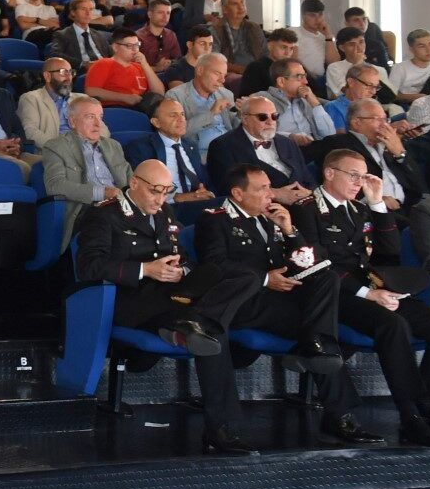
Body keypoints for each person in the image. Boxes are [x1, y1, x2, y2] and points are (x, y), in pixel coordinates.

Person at [76, 159, 259, 452]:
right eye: (155, 191)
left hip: (174, 294)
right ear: (134, 183)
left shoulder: (164, 213)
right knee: (212, 331)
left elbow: (183, 255)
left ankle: (195, 320)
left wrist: (181, 270)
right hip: (134, 299)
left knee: (244, 275)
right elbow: (90, 267)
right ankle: (222, 428)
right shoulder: (104, 216)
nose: (160, 199)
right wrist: (147, 270)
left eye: (166, 191)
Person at [194, 163, 380, 446]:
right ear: (237, 193)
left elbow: (306, 262)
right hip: (240, 303)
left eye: (270, 187)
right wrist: (265, 279)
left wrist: (291, 231)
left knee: (324, 305)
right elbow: (215, 266)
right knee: (317, 332)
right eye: (262, 189)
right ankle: (223, 429)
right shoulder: (215, 220)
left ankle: (340, 415)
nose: (271, 194)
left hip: (276, 305)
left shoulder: (272, 219)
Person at [290, 149, 430, 445]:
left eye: (363, 176)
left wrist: (376, 203)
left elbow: (389, 254)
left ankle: (429, 405)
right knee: (393, 325)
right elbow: (318, 264)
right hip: (332, 294)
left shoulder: (358, 210)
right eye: (354, 175)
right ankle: (410, 415)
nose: (359, 182)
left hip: (370, 287)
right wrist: (369, 293)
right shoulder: (306, 209)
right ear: (329, 173)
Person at [40, 95, 134, 246]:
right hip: (86, 210)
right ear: (72, 121)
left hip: (122, 207)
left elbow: (132, 181)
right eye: (90, 117)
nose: (98, 124)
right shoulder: (56, 147)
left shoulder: (113, 146)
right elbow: (55, 185)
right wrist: (103, 192)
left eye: (100, 117)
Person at [307, 100, 426, 212]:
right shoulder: (339, 143)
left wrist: (400, 152)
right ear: (356, 123)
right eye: (378, 119)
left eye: (385, 119)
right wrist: (374, 200)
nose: (384, 125)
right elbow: (340, 182)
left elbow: (420, 185)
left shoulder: (389, 146)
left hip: (410, 206)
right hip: (372, 211)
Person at [207, 95, 316, 204]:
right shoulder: (223, 146)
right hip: (265, 209)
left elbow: (308, 179)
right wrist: (274, 194)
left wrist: (308, 193)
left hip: (305, 205)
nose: (270, 122)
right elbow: (229, 189)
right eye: (262, 117)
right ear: (245, 119)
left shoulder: (287, 142)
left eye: (274, 116)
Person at [123, 95, 215, 223]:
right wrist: (178, 197)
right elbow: (141, 187)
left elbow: (204, 179)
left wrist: (205, 192)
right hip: (166, 208)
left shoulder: (191, 146)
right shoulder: (140, 148)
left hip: (198, 203)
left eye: (182, 114)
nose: (181, 119)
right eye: (173, 115)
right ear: (156, 122)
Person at [166, 52, 237, 158]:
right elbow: (176, 133)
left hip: (232, 150)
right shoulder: (175, 96)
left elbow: (233, 127)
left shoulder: (226, 94)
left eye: (224, 75)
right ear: (200, 70)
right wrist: (211, 114)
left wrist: (243, 114)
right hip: (203, 155)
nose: (222, 80)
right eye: (217, 73)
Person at [260, 58, 337, 144]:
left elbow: (329, 134)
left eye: (305, 76)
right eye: (299, 77)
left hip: (313, 148)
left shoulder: (307, 100)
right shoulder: (263, 100)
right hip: (284, 150)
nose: (306, 82)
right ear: (281, 81)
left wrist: (314, 103)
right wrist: (290, 137)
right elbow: (260, 132)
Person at [83, 30, 165, 108]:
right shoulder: (103, 64)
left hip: (141, 108)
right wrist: (124, 98)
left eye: (137, 45)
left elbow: (159, 93)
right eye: (129, 46)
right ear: (115, 47)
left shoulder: (140, 67)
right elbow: (91, 91)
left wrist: (145, 64)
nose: (135, 49)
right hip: (114, 109)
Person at [17, 57, 76, 147]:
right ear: (47, 76)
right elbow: (30, 132)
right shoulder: (31, 99)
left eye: (71, 72)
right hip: (53, 153)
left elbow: (101, 129)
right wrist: (61, 149)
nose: (69, 78)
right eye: (63, 72)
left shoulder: (82, 99)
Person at [50, 0, 112, 72]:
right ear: (73, 12)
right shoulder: (62, 35)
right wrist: (83, 64)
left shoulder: (98, 35)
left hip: (105, 70)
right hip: (82, 73)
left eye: (91, 9)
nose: (88, 13)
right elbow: (54, 55)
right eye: (83, 9)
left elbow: (112, 55)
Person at [212, 0, 266, 75]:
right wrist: (242, 70)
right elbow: (215, 60)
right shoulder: (216, 30)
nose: (241, 7)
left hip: (256, 71)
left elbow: (265, 54)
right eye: (235, 4)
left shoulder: (254, 27)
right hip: (231, 73)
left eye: (242, 2)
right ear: (224, 9)